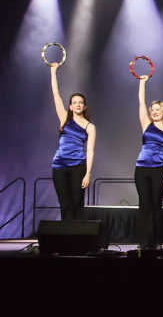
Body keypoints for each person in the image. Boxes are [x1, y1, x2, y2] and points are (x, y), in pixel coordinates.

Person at [49, 62, 96, 221]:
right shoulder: (64, 118)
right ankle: (67, 240)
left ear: (84, 107)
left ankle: (79, 240)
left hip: (78, 166)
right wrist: (53, 71)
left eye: (80, 102)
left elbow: (90, 151)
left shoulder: (90, 127)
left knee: (77, 204)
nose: (77, 104)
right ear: (70, 106)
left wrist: (88, 174)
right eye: (74, 102)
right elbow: (56, 94)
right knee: (65, 205)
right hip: (59, 166)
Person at [134, 76, 163, 248]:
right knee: (144, 205)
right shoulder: (146, 125)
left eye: (157, 109)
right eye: (153, 110)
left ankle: (157, 241)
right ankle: (144, 241)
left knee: (156, 205)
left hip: (159, 169)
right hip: (142, 169)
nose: (154, 112)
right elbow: (141, 103)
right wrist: (142, 83)